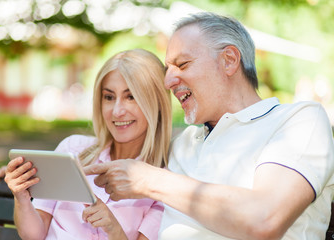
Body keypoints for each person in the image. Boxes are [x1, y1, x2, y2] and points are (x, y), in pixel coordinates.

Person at [84, 12, 334, 240]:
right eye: (168, 69)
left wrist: (149, 180)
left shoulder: (298, 121)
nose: (168, 81)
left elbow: (265, 219)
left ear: (229, 60)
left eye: (182, 65)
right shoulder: (182, 144)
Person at [4, 48, 172, 240]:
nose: (117, 111)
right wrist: (22, 198)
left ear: (157, 102)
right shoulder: (72, 150)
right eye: (109, 97)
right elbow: (33, 235)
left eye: (131, 96)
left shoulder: (161, 183)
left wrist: (113, 227)